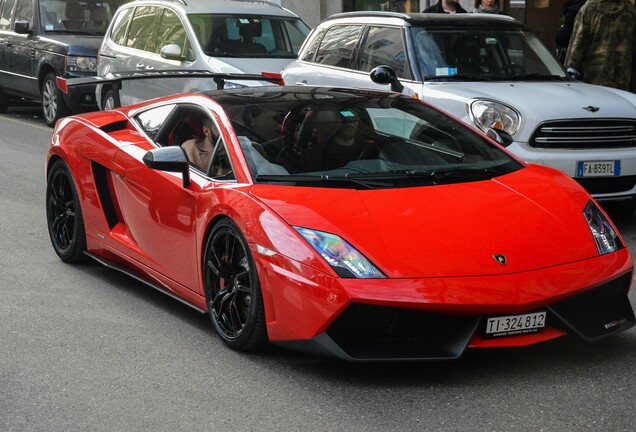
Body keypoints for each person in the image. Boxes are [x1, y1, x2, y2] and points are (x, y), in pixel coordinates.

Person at [565, 0, 636, 91]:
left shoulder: (589, 8)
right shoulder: (630, 10)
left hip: (592, 79)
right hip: (621, 79)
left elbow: (577, 46)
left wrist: (569, 75)